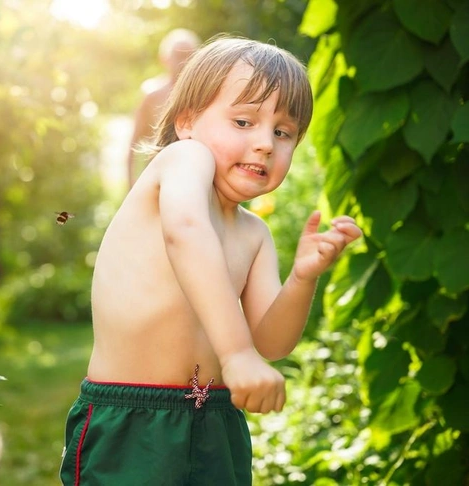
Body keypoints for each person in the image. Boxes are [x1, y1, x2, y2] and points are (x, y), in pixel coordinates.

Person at [59, 35, 362, 485]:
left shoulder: (254, 233)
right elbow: (186, 232)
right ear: (187, 122)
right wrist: (235, 354)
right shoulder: (182, 160)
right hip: (131, 417)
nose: (264, 143)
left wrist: (302, 278)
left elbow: (272, 343)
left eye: (282, 132)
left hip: (216, 421)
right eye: (243, 121)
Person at [126, 28, 201, 189]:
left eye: (190, 55)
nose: (184, 61)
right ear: (164, 59)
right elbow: (133, 144)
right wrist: (131, 188)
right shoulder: (151, 95)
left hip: (193, 181)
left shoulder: (203, 96)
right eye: (179, 55)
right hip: (157, 183)